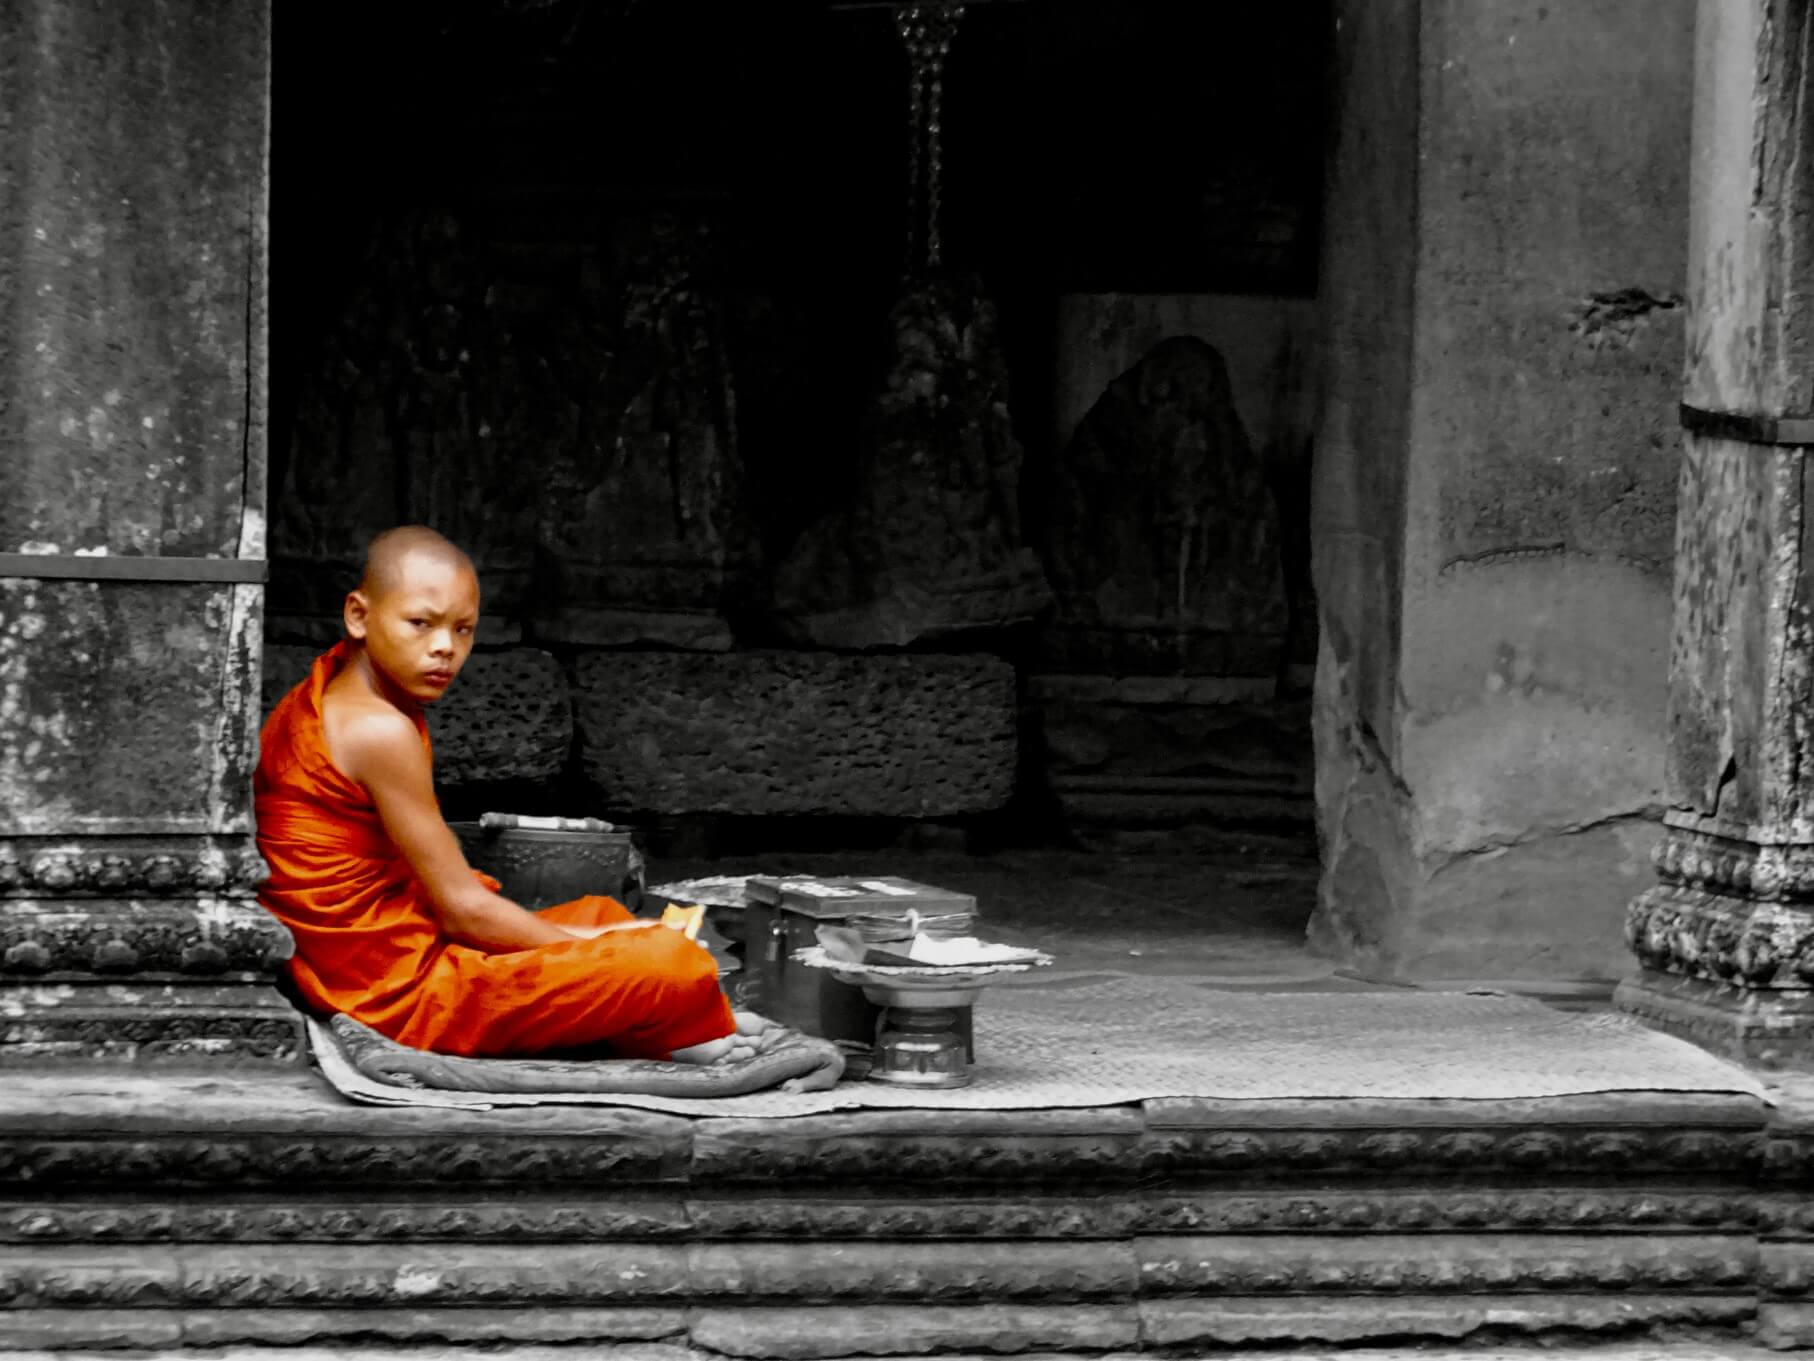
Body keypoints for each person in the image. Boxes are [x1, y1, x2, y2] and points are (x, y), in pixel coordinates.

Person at [255, 525, 760, 1064]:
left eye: (464, 629)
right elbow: (462, 913)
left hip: (389, 956)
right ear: (358, 615)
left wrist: (600, 934)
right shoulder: (378, 730)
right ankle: (678, 1025)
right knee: (669, 960)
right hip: (396, 995)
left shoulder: (334, 695)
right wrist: (602, 946)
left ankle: (663, 1016)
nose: (445, 647)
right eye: (420, 624)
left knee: (600, 912)